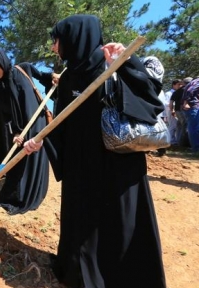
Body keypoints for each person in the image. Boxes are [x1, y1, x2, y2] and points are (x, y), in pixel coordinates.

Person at [25, 15, 166, 287]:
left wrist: (124, 64)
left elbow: (149, 101)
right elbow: (64, 124)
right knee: (82, 222)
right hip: (82, 166)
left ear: (74, 38)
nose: (55, 48)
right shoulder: (68, 76)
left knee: (118, 224)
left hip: (117, 166)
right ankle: (80, 272)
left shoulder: (110, 64)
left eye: (57, 41)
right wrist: (41, 141)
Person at [0, 50, 53, 215]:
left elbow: (40, 75)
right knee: (20, 159)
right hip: (22, 126)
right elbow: (8, 113)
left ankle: (31, 192)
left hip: (36, 121)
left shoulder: (22, 69)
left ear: (1, 62)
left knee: (32, 159)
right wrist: (17, 131)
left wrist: (52, 77)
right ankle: (16, 196)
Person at [142, 56, 168, 156]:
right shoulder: (154, 64)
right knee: (156, 122)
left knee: (150, 122)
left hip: (150, 93)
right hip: (157, 92)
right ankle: (158, 147)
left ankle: (152, 148)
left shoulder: (147, 61)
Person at [170, 77, 193, 147]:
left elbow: (171, 103)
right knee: (185, 126)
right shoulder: (187, 90)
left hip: (177, 111)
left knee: (179, 126)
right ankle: (184, 144)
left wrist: (172, 111)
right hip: (183, 110)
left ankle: (179, 142)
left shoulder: (176, 91)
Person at [181, 77, 199, 152]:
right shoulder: (197, 82)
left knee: (194, 128)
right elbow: (190, 90)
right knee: (194, 128)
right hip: (193, 107)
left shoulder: (194, 82)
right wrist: (186, 102)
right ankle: (196, 149)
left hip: (193, 107)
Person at [165, 79, 182, 145]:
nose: (180, 86)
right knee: (172, 125)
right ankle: (170, 141)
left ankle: (175, 140)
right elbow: (166, 103)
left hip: (176, 110)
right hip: (171, 111)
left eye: (181, 84)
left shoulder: (178, 92)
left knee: (177, 126)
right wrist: (172, 109)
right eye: (178, 84)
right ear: (173, 85)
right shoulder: (169, 93)